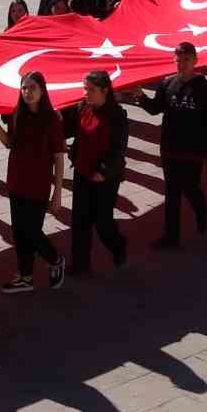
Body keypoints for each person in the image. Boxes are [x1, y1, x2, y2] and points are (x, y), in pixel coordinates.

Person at [0, 72, 67, 292]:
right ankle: (25, 276)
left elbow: (59, 157)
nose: (27, 92)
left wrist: (57, 192)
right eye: (24, 88)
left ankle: (55, 259)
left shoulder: (51, 119)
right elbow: (8, 142)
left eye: (32, 88)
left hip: (38, 186)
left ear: (42, 90)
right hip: (16, 182)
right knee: (19, 232)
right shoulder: (17, 115)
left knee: (31, 230)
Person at [134, 42, 207, 249]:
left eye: (186, 60)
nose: (182, 64)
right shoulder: (167, 83)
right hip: (170, 147)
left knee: (190, 188)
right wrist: (141, 97)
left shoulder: (204, 88)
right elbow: (156, 109)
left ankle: (201, 213)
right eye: (178, 60)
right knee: (171, 193)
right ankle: (171, 236)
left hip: (193, 150)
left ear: (195, 61)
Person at [62, 71, 129, 275]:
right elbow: (66, 128)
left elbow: (119, 150)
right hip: (83, 172)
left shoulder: (117, 116)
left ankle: (118, 246)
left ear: (105, 91)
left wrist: (103, 171)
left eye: (91, 90)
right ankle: (81, 264)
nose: (86, 94)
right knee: (80, 220)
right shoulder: (82, 108)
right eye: (85, 89)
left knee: (102, 221)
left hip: (104, 177)